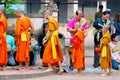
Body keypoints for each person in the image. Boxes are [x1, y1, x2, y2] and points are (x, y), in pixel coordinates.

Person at [42, 10, 63, 75]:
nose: (44, 16)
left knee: (47, 52)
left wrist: (46, 40)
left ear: (47, 14)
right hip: (55, 38)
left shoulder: (50, 21)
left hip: (52, 38)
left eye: (44, 15)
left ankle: (50, 67)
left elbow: (51, 32)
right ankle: (61, 68)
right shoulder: (54, 20)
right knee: (54, 53)